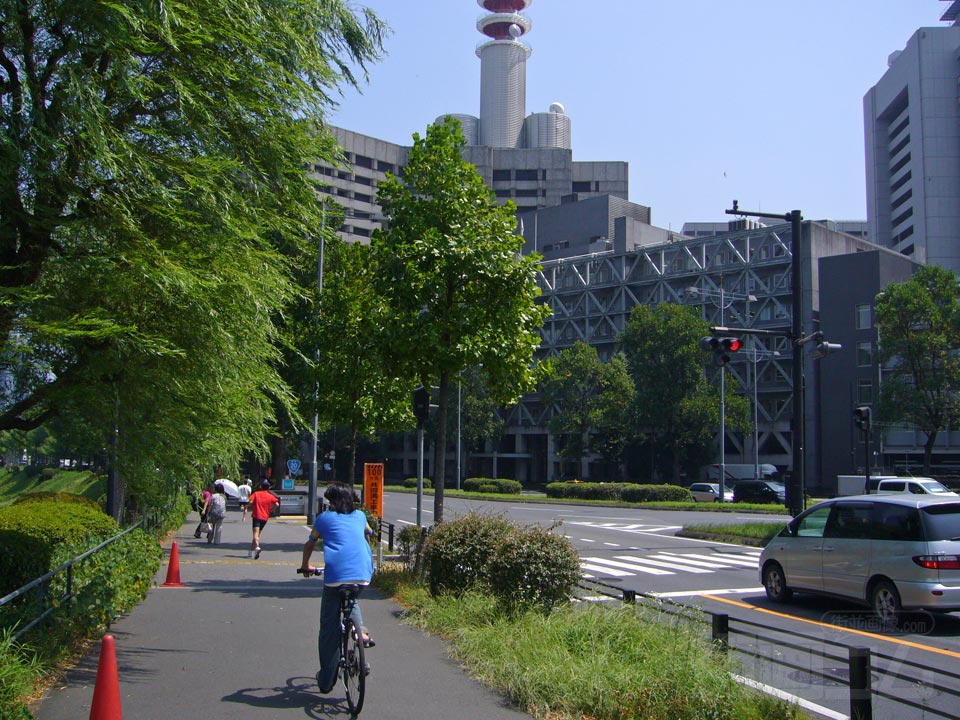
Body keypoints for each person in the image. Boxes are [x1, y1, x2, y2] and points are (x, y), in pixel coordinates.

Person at [300, 483, 374, 694]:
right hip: (363, 575)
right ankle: (360, 634)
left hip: (335, 578)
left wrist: (306, 566)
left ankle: (326, 680)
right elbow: (369, 533)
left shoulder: (324, 519)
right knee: (352, 599)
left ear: (331, 502)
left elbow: (309, 544)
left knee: (328, 629)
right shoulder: (360, 516)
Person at [248, 479, 280, 559]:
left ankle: (257, 548)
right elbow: (277, 504)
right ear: (269, 487)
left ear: (261, 486)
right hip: (265, 517)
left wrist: (253, 505)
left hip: (257, 515)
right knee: (258, 534)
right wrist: (271, 509)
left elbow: (250, 501)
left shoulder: (256, 493)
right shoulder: (270, 496)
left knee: (255, 534)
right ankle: (251, 552)